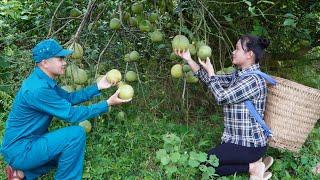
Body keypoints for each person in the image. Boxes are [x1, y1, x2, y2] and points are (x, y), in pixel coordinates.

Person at [0, 39, 131, 180]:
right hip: (22, 150)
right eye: (60, 58)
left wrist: (98, 87)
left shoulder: (42, 80)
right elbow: (72, 114)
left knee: (68, 155)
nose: (64, 62)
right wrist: (107, 103)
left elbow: (69, 98)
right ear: (45, 62)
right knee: (76, 134)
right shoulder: (38, 89)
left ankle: (19, 173)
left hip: (28, 144)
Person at [175, 34, 274, 179]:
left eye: (237, 49)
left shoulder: (253, 80)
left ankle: (253, 167)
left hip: (250, 145)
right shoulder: (239, 75)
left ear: (249, 54)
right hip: (237, 141)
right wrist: (189, 59)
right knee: (207, 162)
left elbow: (221, 97)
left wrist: (211, 72)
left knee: (206, 163)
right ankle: (254, 164)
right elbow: (209, 79)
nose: (233, 52)